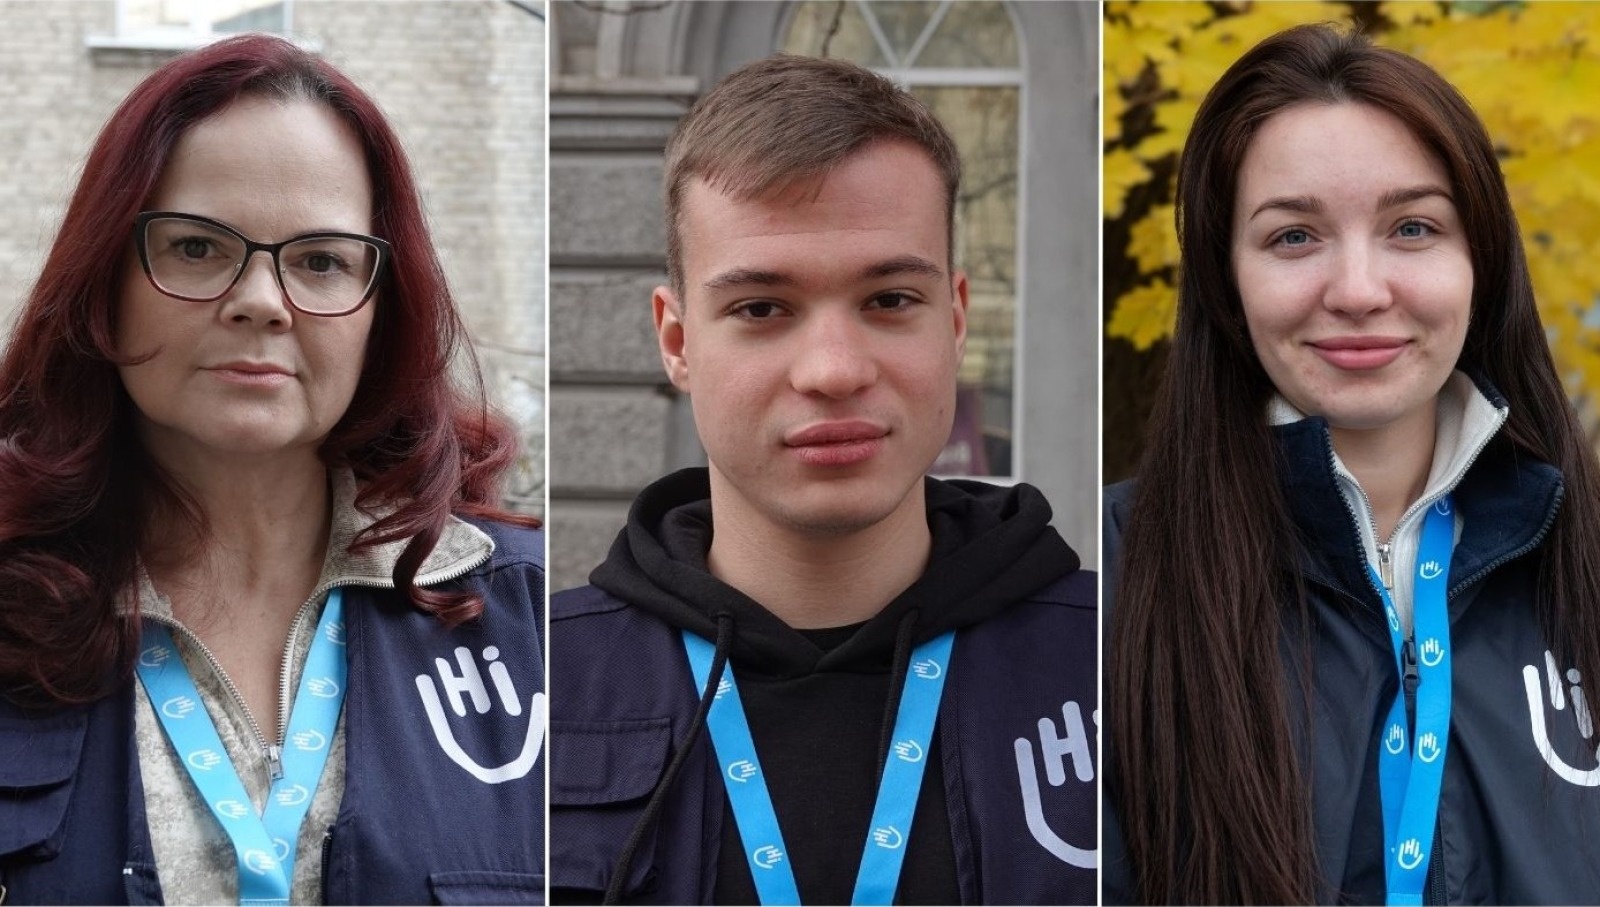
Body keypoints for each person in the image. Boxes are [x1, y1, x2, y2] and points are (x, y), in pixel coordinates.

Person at [0, 35, 545, 905]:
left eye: (321, 260)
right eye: (195, 248)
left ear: (381, 307)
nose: (260, 300)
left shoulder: (534, 623)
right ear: (106, 279)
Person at [548, 54, 1096, 906]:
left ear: (954, 318)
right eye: (762, 309)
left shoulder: (1125, 661)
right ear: (677, 339)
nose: (834, 371)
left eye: (888, 301)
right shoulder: (538, 680)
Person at [1105, 23, 1600, 905]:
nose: (1361, 290)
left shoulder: (1586, 551)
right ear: (1226, 277)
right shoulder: (1109, 576)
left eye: (1413, 227)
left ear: (1480, 258)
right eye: (1294, 238)